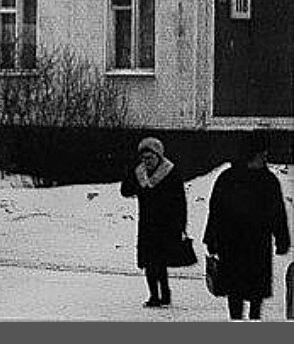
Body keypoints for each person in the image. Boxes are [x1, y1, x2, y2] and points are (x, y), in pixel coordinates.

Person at [203, 130, 291, 320]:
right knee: (235, 292)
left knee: (255, 293)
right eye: (262, 153)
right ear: (253, 153)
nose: (265, 157)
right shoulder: (229, 178)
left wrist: (282, 238)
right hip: (232, 243)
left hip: (257, 243)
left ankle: (253, 324)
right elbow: (216, 209)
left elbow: (277, 212)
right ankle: (237, 323)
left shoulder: (267, 180)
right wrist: (211, 238)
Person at [121, 136, 187, 308]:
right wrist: (131, 175)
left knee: (161, 261)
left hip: (167, 224)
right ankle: (154, 296)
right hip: (147, 225)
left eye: (150, 157)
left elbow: (180, 201)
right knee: (150, 262)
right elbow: (125, 191)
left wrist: (180, 225)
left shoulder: (170, 173)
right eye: (144, 158)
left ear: (159, 156)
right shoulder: (139, 173)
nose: (147, 161)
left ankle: (164, 294)